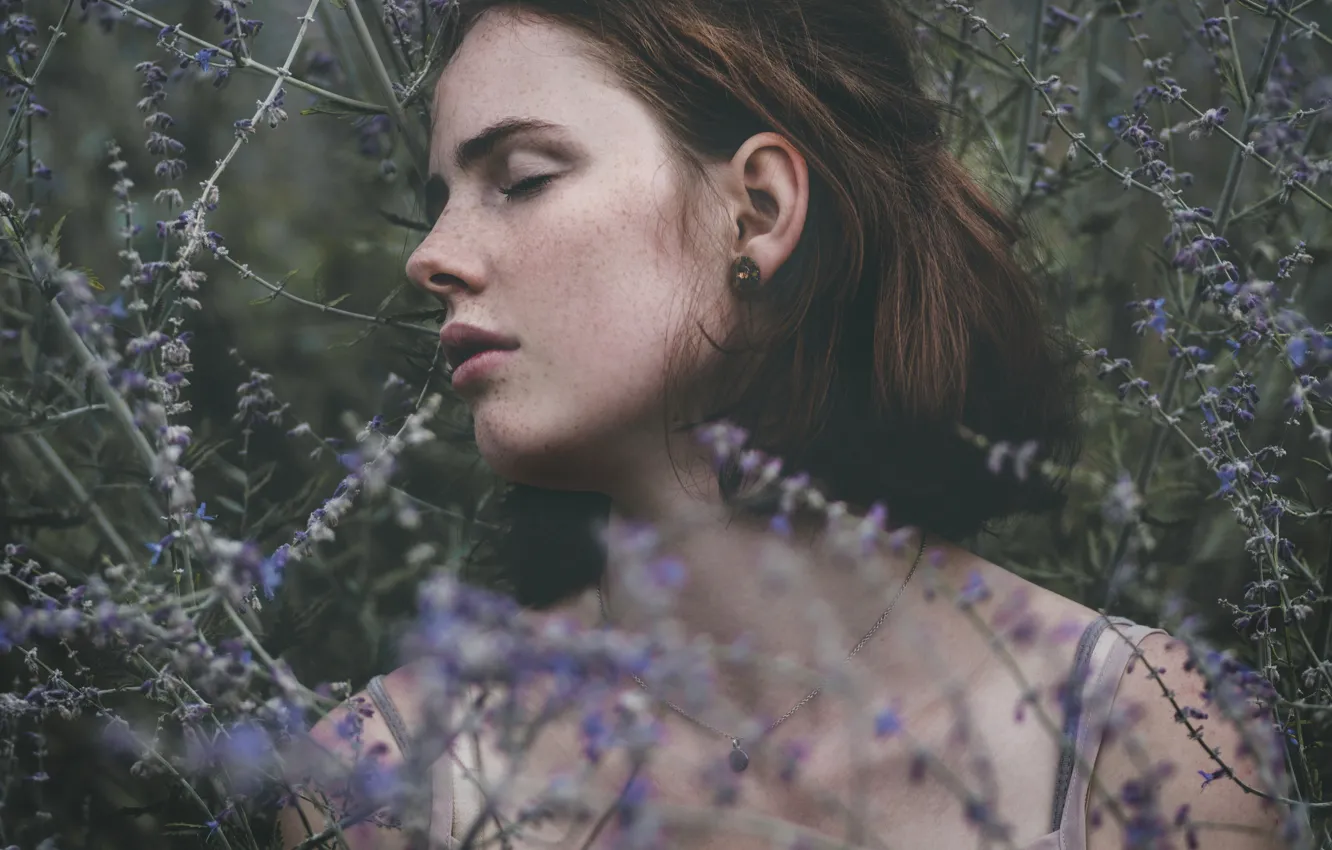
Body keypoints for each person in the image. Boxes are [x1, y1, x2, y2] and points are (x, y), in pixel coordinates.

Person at [280, 0, 1288, 847]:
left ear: (756, 210)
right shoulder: (380, 784)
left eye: (522, 179)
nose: (432, 255)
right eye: (439, 198)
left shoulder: (1147, 734)